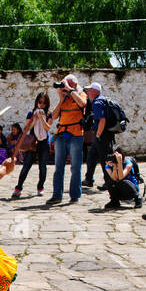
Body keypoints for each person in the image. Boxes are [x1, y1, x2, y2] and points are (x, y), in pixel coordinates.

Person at [48, 75, 87, 205]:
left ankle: (75, 195)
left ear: (74, 85)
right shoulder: (64, 99)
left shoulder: (81, 94)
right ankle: (57, 195)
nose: (64, 87)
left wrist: (70, 90)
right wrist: (61, 98)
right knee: (58, 167)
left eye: (67, 84)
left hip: (75, 135)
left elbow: (82, 104)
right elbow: (53, 116)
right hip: (61, 136)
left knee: (75, 167)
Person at [12, 93, 51, 198]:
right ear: (36, 102)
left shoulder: (48, 114)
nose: (41, 105)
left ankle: (40, 187)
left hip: (44, 142)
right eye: (40, 102)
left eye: (44, 103)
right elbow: (28, 128)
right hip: (33, 141)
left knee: (42, 166)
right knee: (26, 165)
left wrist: (42, 118)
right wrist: (35, 118)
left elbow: (48, 128)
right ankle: (18, 187)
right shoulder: (31, 113)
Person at [81, 81, 116, 190]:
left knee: (104, 158)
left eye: (89, 90)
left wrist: (98, 135)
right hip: (105, 134)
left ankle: (109, 181)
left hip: (102, 135)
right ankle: (89, 179)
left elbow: (102, 120)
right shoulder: (102, 101)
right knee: (92, 156)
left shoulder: (97, 103)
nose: (87, 92)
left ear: (95, 91)